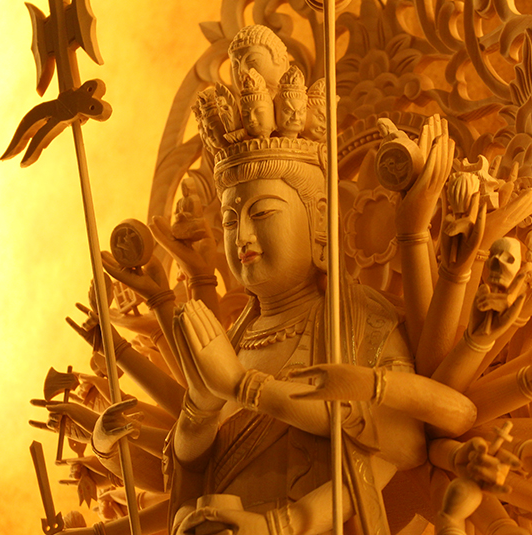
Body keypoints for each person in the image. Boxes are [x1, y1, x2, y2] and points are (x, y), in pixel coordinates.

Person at [166, 26, 478, 535]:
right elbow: (188, 475)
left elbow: (401, 444)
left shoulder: (358, 318)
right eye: (229, 220)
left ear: (318, 221)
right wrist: (198, 413)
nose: (243, 235)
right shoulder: (234, 336)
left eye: (262, 212)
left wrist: (243, 388)